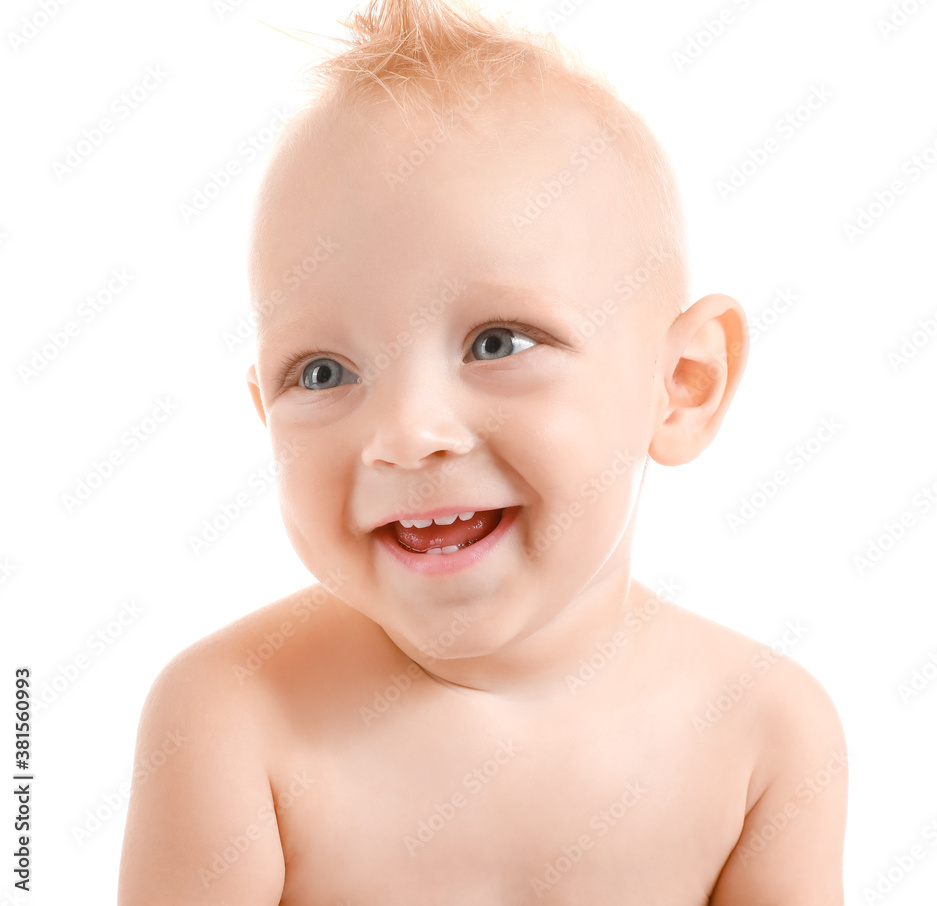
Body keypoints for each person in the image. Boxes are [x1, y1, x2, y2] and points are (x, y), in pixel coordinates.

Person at [118, 0, 847, 901]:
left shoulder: (763, 735)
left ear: (684, 383)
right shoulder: (232, 720)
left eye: (497, 342)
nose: (407, 433)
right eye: (322, 371)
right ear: (262, 408)